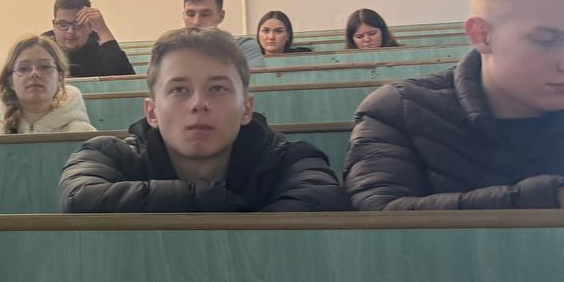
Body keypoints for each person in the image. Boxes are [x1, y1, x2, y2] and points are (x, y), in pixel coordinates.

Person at [345, 0, 564, 210]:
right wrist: (559, 201)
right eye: (546, 40)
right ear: (482, 35)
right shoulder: (398, 110)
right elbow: (377, 213)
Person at [58, 28, 349, 212]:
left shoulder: (293, 159)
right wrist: (219, 200)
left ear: (246, 108)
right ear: (152, 112)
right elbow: (79, 199)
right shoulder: (107, 155)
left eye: (218, 88)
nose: (198, 104)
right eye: (179, 90)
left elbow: (321, 202)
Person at [0, 36, 96, 136]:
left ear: (60, 77)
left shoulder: (83, 133)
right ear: (10, 81)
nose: (34, 73)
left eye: (45, 66)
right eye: (23, 68)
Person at [42, 0, 135, 77]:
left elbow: (127, 82)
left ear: (90, 26)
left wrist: (102, 29)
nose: (70, 31)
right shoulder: (42, 48)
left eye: (78, 25)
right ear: (54, 25)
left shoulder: (102, 48)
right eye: (63, 25)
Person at [182, 0, 264, 64]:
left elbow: (254, 73)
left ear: (221, 16)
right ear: (183, 16)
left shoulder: (243, 46)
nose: (196, 22)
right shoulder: (175, 48)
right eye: (190, 14)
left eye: (205, 15)